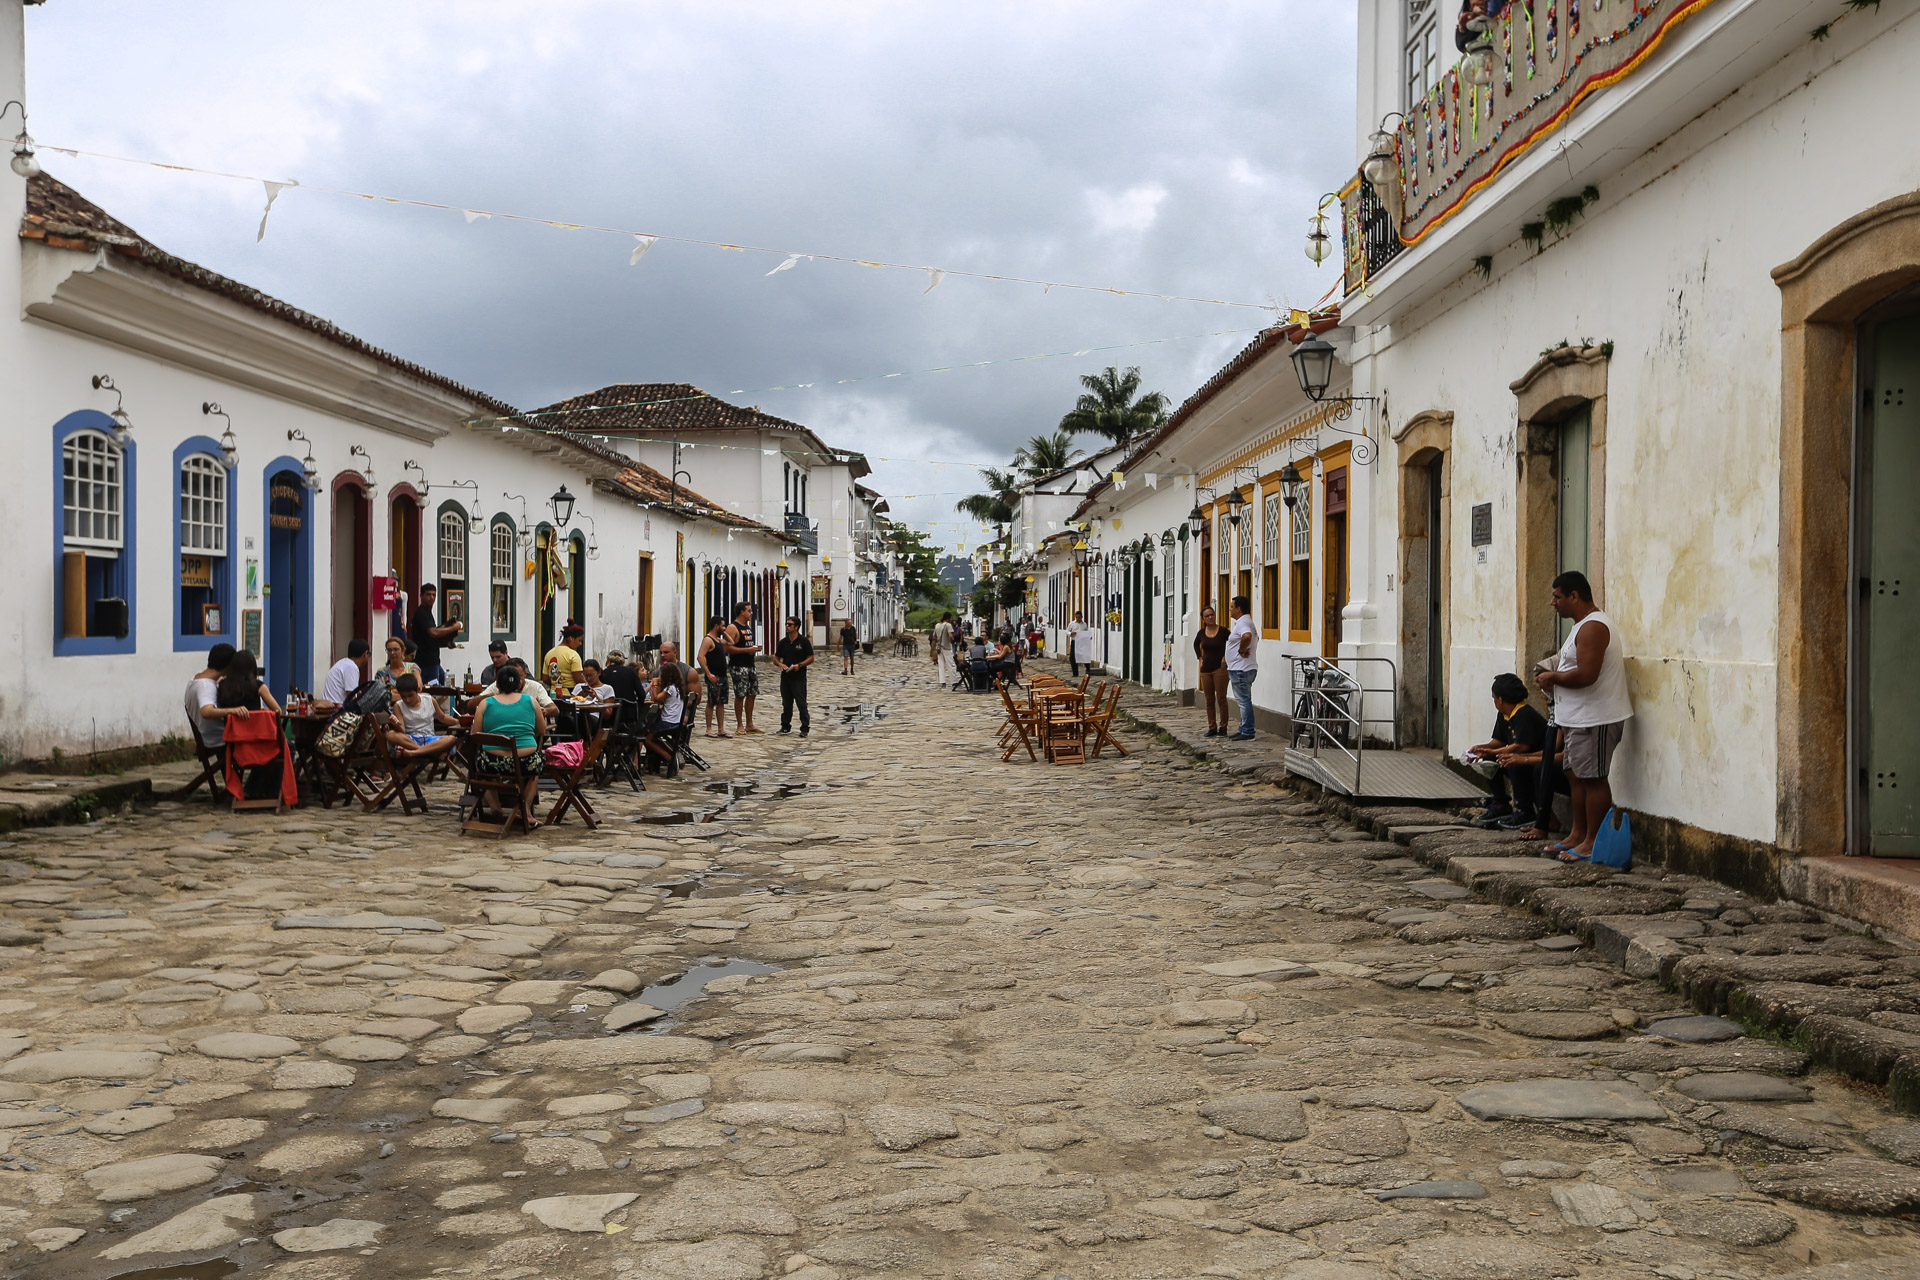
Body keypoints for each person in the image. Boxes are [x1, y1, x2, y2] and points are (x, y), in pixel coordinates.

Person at [1535, 570, 1633, 862]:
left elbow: (1588, 675)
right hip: (1577, 718)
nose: (1553, 603)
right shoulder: (1581, 626)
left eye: (1557, 596)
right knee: (1575, 775)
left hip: (1596, 718)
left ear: (1574, 596)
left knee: (1593, 778)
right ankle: (1578, 834)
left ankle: (1592, 841)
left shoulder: (1593, 627)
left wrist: (1553, 677)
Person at [1465, 673, 1549, 829]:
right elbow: (1499, 741)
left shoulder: (1524, 713)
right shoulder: (1504, 714)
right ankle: (1500, 803)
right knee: (1489, 762)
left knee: (1513, 762)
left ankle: (1525, 809)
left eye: (1494, 698)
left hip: (1535, 761)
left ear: (1500, 699)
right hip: (1520, 757)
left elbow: (1521, 746)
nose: (1495, 702)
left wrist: (1491, 751)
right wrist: (1483, 749)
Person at [472, 664, 544, 829]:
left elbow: (475, 735)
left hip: (492, 762)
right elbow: (541, 730)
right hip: (525, 762)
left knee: (481, 768)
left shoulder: (486, 703)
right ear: (519, 684)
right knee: (535, 770)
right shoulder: (531, 701)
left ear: (497, 684)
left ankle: (495, 807)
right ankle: (525, 810)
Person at [214, 648, 284, 799]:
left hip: (235, 746)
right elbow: (278, 711)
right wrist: (261, 713)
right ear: (253, 667)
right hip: (258, 743)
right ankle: (271, 792)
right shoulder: (258, 686)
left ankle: (254, 789)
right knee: (286, 748)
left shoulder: (223, 687)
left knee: (269, 750)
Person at [386, 672, 459, 758]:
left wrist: (458, 721)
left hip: (430, 739)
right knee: (390, 735)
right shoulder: (398, 705)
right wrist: (396, 723)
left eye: (410, 695)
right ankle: (429, 752)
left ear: (418, 690)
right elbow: (402, 730)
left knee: (451, 739)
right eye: (403, 697)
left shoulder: (429, 700)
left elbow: (442, 717)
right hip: (410, 740)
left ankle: (415, 753)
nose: (408, 700)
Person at [408, 583, 462, 686]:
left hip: (434, 661)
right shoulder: (421, 613)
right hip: (426, 663)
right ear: (421, 596)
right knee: (433, 690)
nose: (431, 597)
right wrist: (453, 628)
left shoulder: (428, 613)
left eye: (434, 595)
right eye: (428, 595)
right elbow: (433, 633)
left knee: (445, 686)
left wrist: (447, 644)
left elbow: (428, 638)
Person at [186, 642, 237, 750]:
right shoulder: (205, 686)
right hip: (219, 740)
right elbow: (206, 711)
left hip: (207, 737)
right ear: (227, 665)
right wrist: (233, 710)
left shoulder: (196, 678)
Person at [724, 602, 762, 734]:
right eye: (749, 611)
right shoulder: (733, 628)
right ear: (741, 612)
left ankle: (749, 723)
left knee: (752, 693)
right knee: (740, 695)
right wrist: (747, 650)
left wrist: (754, 649)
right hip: (738, 666)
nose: (751, 613)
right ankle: (740, 724)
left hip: (750, 664)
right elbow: (727, 648)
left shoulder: (747, 627)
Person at [1193, 605, 1230, 737]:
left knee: (1221, 698)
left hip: (1220, 669)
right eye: (1207, 616)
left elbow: (1232, 643)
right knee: (1209, 700)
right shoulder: (1201, 633)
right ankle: (1212, 726)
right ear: (1203, 619)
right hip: (1206, 670)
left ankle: (1223, 727)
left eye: (1212, 614)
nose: (1210, 617)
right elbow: (1195, 644)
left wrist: (1226, 657)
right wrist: (1200, 658)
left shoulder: (1224, 631)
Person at [1225, 594, 1258, 741]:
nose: (1230, 610)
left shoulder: (1243, 623)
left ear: (1238, 609)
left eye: (1232, 607)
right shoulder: (1247, 621)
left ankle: (1248, 731)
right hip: (1245, 667)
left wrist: (1240, 650)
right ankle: (1244, 727)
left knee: (1243, 701)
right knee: (1244, 700)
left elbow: (1247, 636)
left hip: (1241, 668)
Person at [777, 615, 815, 736]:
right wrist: (780, 664)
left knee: (801, 703)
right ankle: (785, 726)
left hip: (798, 677)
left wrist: (800, 665)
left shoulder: (803, 641)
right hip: (786, 677)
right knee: (786, 703)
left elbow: (811, 657)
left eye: (790, 624)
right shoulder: (783, 642)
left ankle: (804, 727)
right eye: (787, 624)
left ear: (797, 627)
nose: (787, 626)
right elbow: (776, 658)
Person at [697, 616, 731, 739]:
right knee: (712, 702)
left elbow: (731, 643)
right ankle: (709, 728)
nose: (724, 628)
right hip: (714, 676)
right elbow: (700, 657)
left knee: (721, 702)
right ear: (716, 626)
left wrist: (724, 632)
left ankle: (721, 728)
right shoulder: (708, 640)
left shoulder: (718, 640)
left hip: (722, 675)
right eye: (723, 626)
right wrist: (708, 673)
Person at [318, 639, 371, 710]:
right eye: (369, 654)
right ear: (365, 654)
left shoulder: (343, 663)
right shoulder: (351, 667)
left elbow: (354, 691)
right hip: (337, 710)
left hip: (330, 707)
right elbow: (351, 695)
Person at [544, 622, 586, 699]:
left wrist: (555, 684)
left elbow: (545, 678)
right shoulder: (573, 655)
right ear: (571, 638)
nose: (580, 644)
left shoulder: (549, 654)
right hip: (569, 694)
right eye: (579, 640)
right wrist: (588, 686)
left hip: (553, 694)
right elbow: (578, 679)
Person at [933, 612, 957, 687]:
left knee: (941, 665)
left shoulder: (937, 625)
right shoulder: (948, 625)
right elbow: (950, 635)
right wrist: (953, 639)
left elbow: (934, 637)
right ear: (948, 618)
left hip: (939, 647)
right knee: (951, 664)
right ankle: (953, 681)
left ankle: (942, 681)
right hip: (946, 647)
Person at [1070, 611, 1096, 677]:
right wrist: (1071, 633)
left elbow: (1086, 632)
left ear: (1082, 617)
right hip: (1074, 641)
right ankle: (1075, 673)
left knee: (1085, 656)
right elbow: (1067, 631)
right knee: (1072, 658)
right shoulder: (1072, 624)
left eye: (1079, 617)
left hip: (1082, 642)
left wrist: (1088, 637)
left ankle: (1088, 670)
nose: (1077, 619)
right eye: (1076, 617)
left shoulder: (1084, 624)